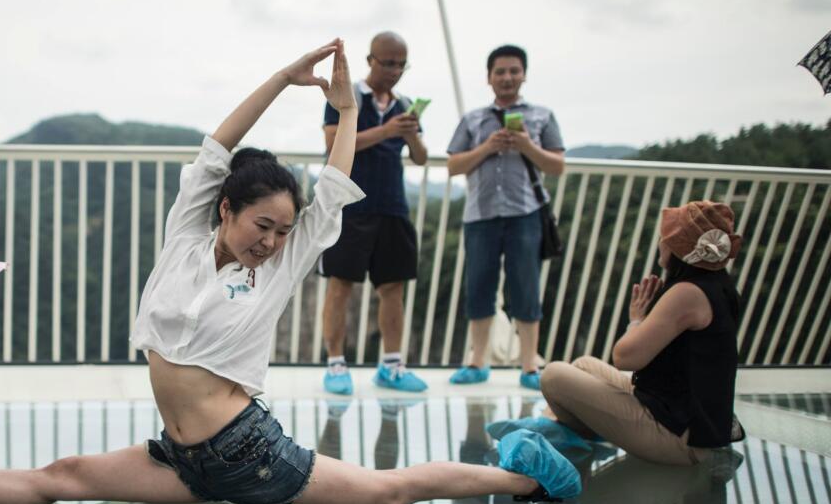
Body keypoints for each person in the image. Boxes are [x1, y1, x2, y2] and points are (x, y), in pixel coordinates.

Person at [0, 40, 581, 504]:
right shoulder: (184, 237)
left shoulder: (283, 262)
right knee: (62, 474)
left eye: (283, 231)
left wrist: (348, 105)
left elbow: (333, 177)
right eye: (261, 225)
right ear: (226, 209)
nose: (271, 241)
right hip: (184, 455)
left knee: (390, 492)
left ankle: (530, 478)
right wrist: (281, 79)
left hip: (250, 455)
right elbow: (218, 145)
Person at [489, 201, 744, 466]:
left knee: (554, 375)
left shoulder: (687, 293)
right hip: (674, 414)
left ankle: (546, 434)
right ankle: (555, 427)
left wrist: (636, 321)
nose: (661, 243)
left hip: (680, 439)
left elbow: (625, 358)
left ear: (677, 248)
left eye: (664, 238)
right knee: (583, 365)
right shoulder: (718, 287)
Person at [446, 45, 565, 391]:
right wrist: (487, 147)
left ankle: (530, 364)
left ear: (524, 74)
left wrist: (526, 145)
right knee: (478, 286)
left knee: (526, 287)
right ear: (489, 77)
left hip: (524, 214)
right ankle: (476, 361)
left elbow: (556, 165)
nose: (507, 77)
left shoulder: (542, 116)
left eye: (514, 71)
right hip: (480, 215)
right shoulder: (473, 119)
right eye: (500, 71)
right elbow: (453, 165)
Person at [319, 31, 429, 396]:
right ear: (370, 60)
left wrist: (410, 133)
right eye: (389, 63)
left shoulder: (406, 104)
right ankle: (335, 364)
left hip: (393, 205)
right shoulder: (346, 96)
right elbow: (334, 143)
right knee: (340, 285)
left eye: (401, 64)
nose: (395, 71)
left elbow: (421, 157)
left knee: (393, 287)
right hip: (350, 204)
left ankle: (392, 365)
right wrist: (386, 131)